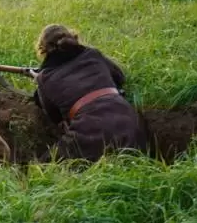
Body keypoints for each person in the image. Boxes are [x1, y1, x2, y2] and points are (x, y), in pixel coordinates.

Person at [31, 24, 151, 162]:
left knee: (43, 165)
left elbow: (54, 116)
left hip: (89, 129)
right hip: (130, 121)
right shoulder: (92, 54)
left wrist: (39, 84)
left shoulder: (45, 78)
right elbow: (119, 77)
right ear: (72, 37)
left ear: (43, 49)